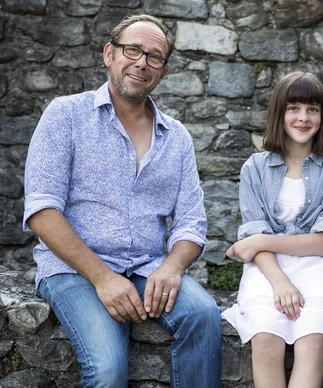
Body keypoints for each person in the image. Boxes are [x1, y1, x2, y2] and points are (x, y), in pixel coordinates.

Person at [23, 14, 221, 387]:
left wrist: (173, 267)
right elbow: (42, 210)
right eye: (133, 50)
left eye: (154, 57)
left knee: (203, 314)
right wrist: (103, 278)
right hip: (74, 271)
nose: (142, 63)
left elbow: (192, 223)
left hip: (148, 266)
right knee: (109, 369)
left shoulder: (176, 137)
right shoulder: (65, 115)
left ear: (163, 72)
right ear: (109, 54)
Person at [221, 71, 323, 388]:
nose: (303, 118)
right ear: (279, 113)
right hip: (267, 269)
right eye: (294, 108)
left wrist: (259, 241)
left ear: (322, 116)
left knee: (312, 341)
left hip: (318, 267)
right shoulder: (254, 168)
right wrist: (280, 281)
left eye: (312, 109)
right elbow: (256, 246)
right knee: (265, 340)